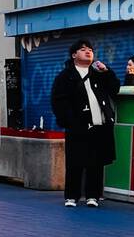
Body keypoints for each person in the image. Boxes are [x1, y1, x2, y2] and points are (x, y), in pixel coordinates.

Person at [51, 38, 121, 207]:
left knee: (96, 163)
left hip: (100, 125)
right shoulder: (65, 76)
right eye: (83, 49)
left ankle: (93, 196)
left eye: (90, 49)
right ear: (74, 55)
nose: (88, 52)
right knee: (75, 162)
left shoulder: (98, 74)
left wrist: (107, 71)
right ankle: (71, 196)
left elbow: (115, 89)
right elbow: (58, 101)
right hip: (77, 126)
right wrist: (69, 121)